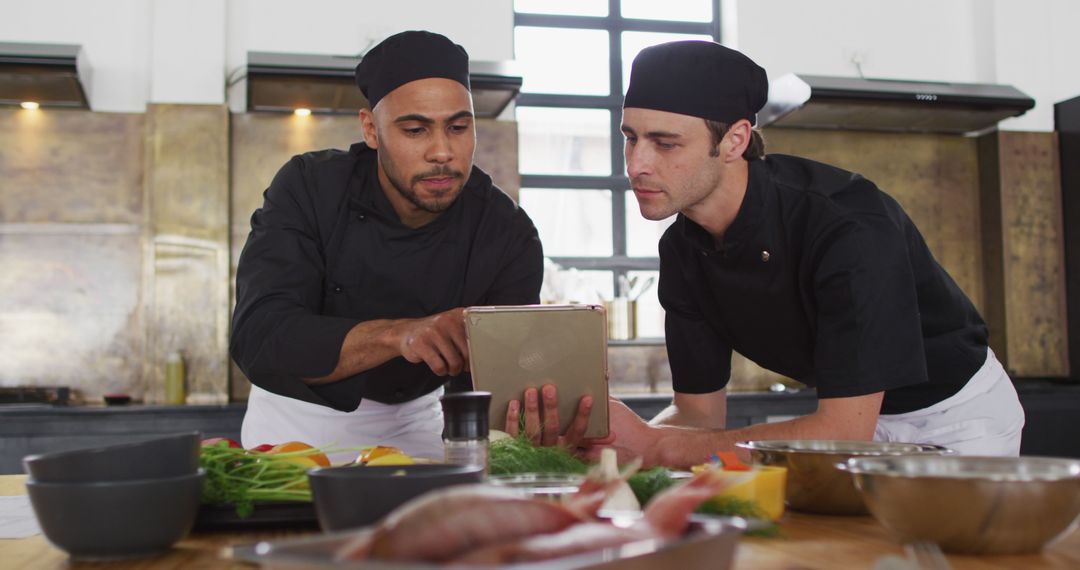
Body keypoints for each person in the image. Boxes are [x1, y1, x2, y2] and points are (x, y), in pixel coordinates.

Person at [580, 40, 1025, 468]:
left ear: (734, 141)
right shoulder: (683, 249)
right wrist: (617, 443)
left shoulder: (847, 224)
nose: (637, 163)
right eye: (630, 137)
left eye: (665, 143)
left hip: (956, 421)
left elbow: (842, 434)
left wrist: (657, 448)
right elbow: (697, 418)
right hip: (846, 424)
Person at [230, 31, 547, 462]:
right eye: (416, 129)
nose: (442, 152)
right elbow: (260, 336)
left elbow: (504, 379)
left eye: (458, 127)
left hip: (416, 423)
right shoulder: (309, 189)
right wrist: (401, 334)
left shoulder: (506, 231)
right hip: (297, 424)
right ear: (371, 129)